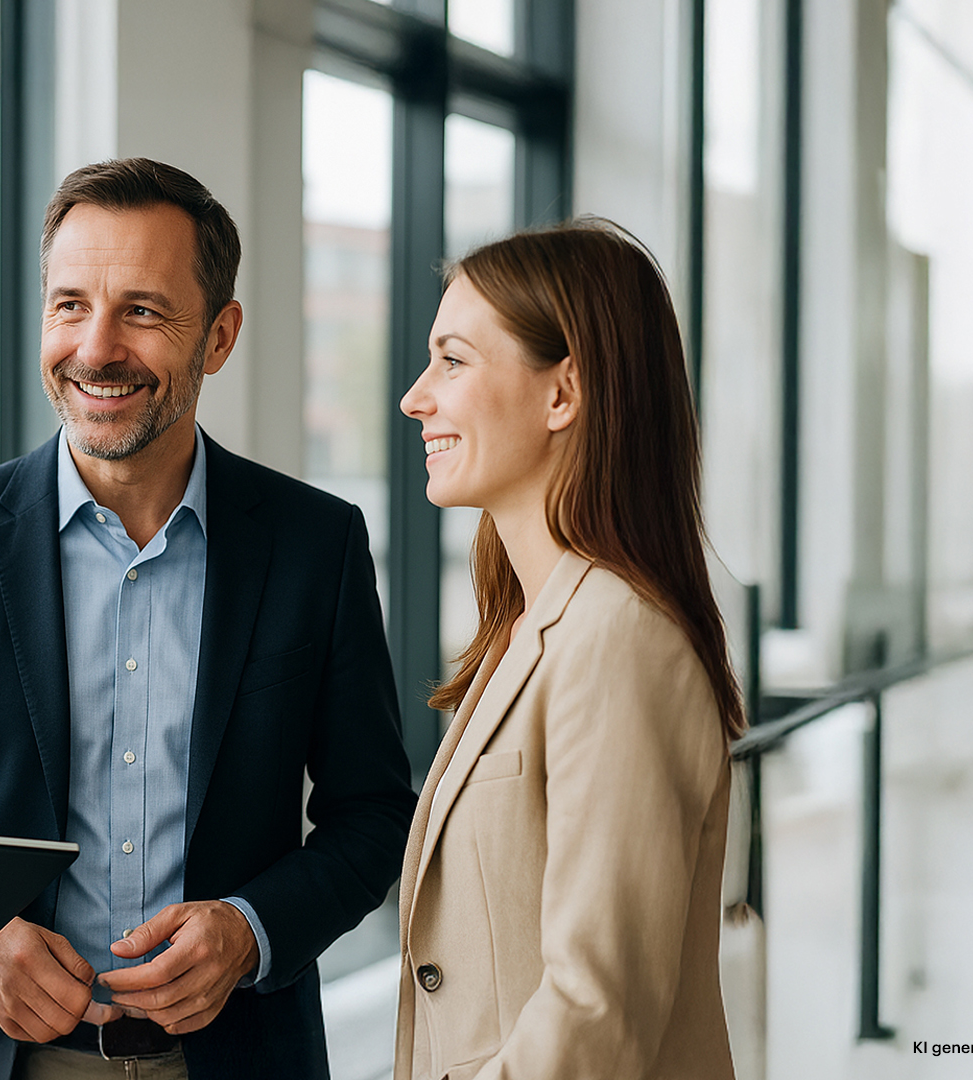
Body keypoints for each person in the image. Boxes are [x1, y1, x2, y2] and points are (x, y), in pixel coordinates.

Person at [0, 157, 417, 1080]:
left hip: (235, 1056)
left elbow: (371, 816)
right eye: (69, 305)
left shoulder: (315, 545)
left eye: (143, 310)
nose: (96, 348)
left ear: (219, 336)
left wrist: (250, 932)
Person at [392, 219, 744, 1080]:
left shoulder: (618, 641)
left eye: (453, 360)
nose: (414, 397)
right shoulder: (531, 625)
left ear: (563, 393)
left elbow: (596, 1014)